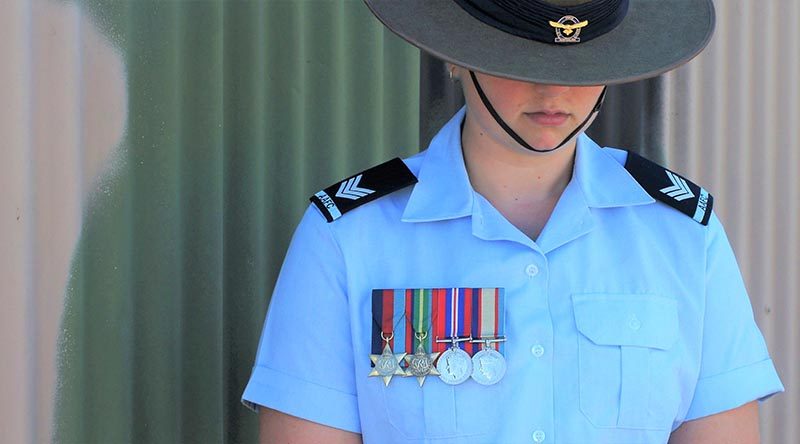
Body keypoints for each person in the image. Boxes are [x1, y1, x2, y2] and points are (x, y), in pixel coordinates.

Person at [242, 1, 784, 443]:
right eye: (519, 58)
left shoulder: (682, 234)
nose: (553, 91)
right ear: (455, 58)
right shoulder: (349, 236)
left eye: (581, 65)